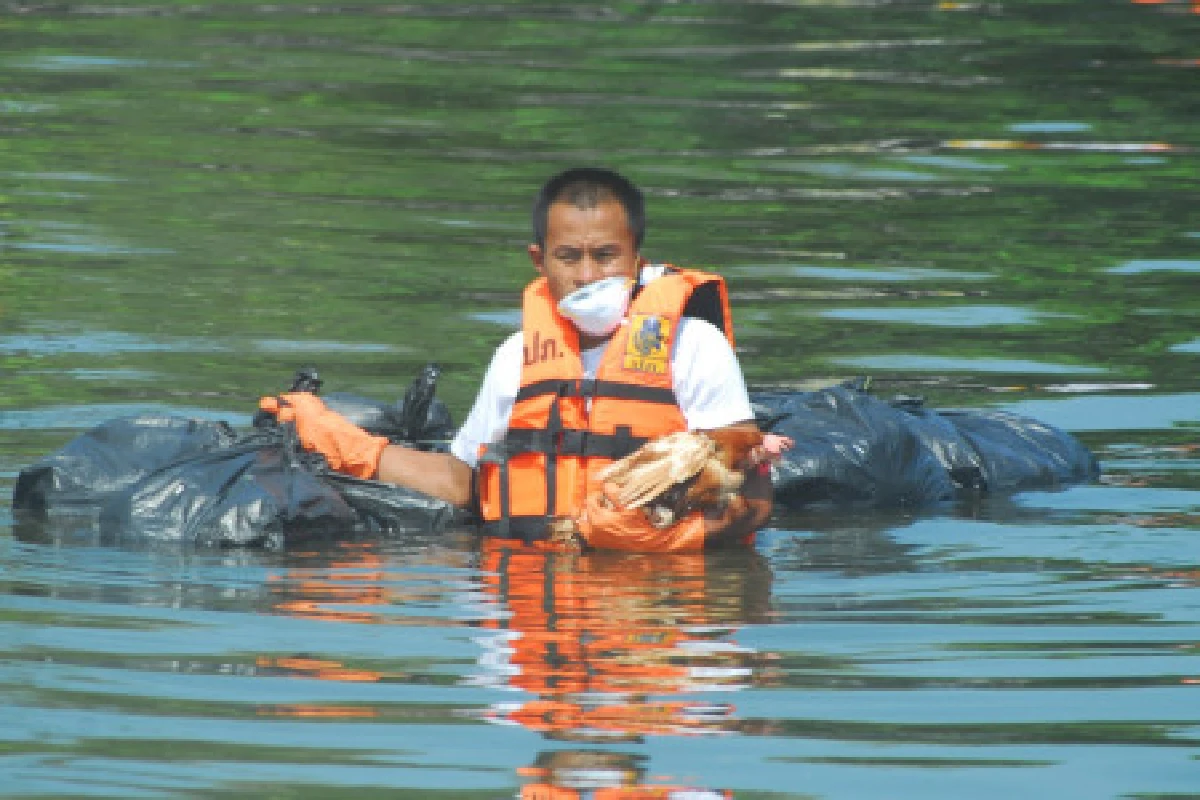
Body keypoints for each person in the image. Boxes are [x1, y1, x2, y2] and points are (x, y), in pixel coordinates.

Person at [260, 167, 776, 551]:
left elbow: (753, 498)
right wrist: (345, 444)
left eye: (606, 256)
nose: (588, 275)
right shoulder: (517, 357)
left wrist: (665, 541)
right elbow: (460, 481)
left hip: (664, 612)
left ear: (636, 260)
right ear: (540, 260)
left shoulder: (693, 347)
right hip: (534, 599)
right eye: (568, 257)